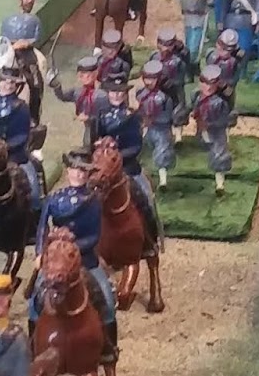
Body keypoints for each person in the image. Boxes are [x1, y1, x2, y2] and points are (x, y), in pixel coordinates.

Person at [35, 149, 118, 358]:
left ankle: (109, 349)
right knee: (35, 301)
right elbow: (42, 228)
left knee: (106, 300)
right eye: (75, 169)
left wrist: (69, 249)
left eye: (83, 171)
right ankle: (33, 345)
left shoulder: (93, 202)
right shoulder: (55, 199)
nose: (78, 174)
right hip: (55, 262)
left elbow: (93, 236)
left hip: (85, 261)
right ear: (68, 171)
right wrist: (40, 252)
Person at [89, 68, 162, 246]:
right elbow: (94, 139)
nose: (116, 95)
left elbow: (136, 146)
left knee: (146, 200)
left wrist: (115, 157)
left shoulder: (132, 116)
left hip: (127, 168)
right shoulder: (100, 115)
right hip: (104, 168)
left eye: (120, 92)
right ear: (108, 92)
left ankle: (150, 241)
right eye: (113, 91)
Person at [0, 65, 44, 207]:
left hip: (15, 156)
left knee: (33, 189)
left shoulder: (21, 107)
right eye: (5, 81)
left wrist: (5, 146)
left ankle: (36, 209)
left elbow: (22, 134)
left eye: (12, 82)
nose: (8, 85)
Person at [192, 63, 238, 195]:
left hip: (216, 132)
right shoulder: (197, 97)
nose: (208, 87)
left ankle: (220, 185)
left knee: (219, 155)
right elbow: (196, 109)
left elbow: (223, 119)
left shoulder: (219, 102)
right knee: (206, 146)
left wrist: (211, 124)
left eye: (211, 84)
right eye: (205, 83)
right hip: (202, 130)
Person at [137, 60, 184, 188]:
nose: (149, 82)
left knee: (162, 151)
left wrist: (154, 119)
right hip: (145, 128)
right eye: (147, 78)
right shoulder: (140, 94)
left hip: (161, 128)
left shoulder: (165, 97)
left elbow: (168, 114)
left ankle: (163, 181)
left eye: (153, 79)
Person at [49, 55, 108, 150]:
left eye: (89, 75)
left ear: (95, 74)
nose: (85, 77)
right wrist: (56, 84)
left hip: (102, 130)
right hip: (88, 128)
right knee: (87, 142)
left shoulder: (101, 95)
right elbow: (63, 96)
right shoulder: (78, 92)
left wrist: (89, 118)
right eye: (82, 75)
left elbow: (106, 116)